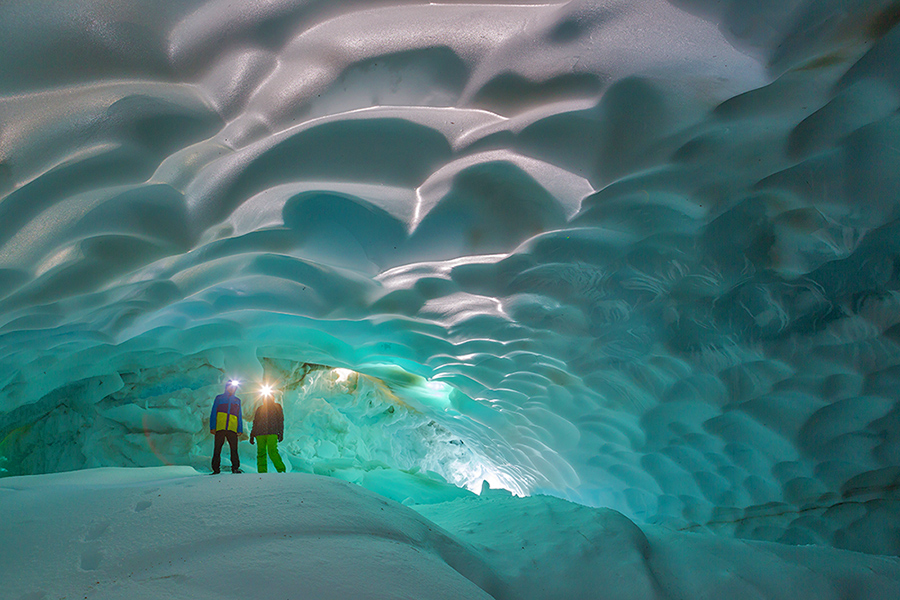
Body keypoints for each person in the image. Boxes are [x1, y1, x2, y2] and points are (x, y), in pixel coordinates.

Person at [210, 380, 244, 474]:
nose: (232, 389)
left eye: (234, 387)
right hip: (220, 427)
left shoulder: (237, 401)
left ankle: (235, 468)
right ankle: (216, 469)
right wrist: (213, 426)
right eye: (230, 387)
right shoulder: (219, 398)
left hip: (232, 428)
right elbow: (214, 412)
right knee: (217, 449)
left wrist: (239, 428)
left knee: (234, 449)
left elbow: (239, 416)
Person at [249, 389, 286, 473]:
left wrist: (281, 433)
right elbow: (255, 422)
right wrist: (252, 434)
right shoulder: (260, 409)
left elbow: (280, 420)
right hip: (260, 433)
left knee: (272, 451)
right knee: (261, 453)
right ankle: (262, 472)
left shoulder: (277, 407)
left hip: (272, 432)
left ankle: (281, 470)